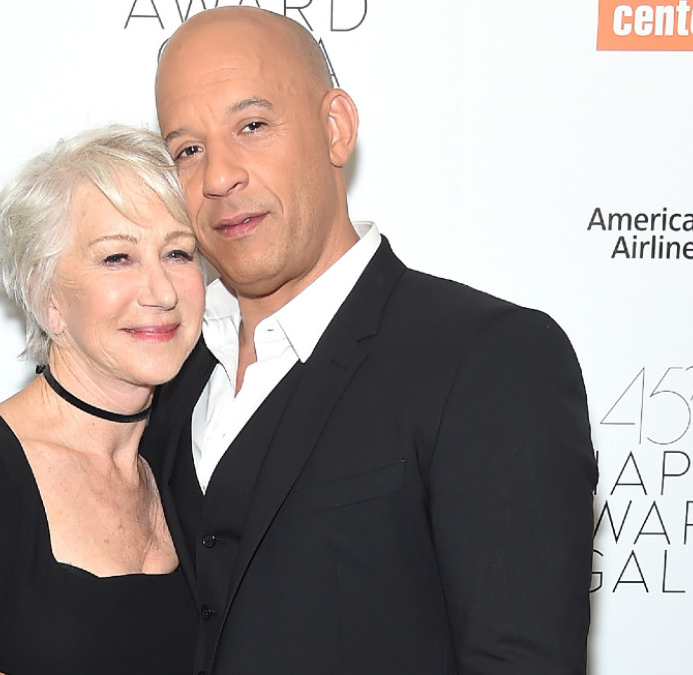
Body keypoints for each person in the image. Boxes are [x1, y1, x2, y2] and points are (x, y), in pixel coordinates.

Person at [141, 7, 598, 674]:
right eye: (188, 149)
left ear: (336, 128)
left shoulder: (488, 358)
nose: (218, 176)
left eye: (252, 125)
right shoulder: (161, 376)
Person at [0, 125, 205, 675]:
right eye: (117, 258)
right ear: (46, 296)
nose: (162, 291)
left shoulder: (192, 459)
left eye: (178, 253)